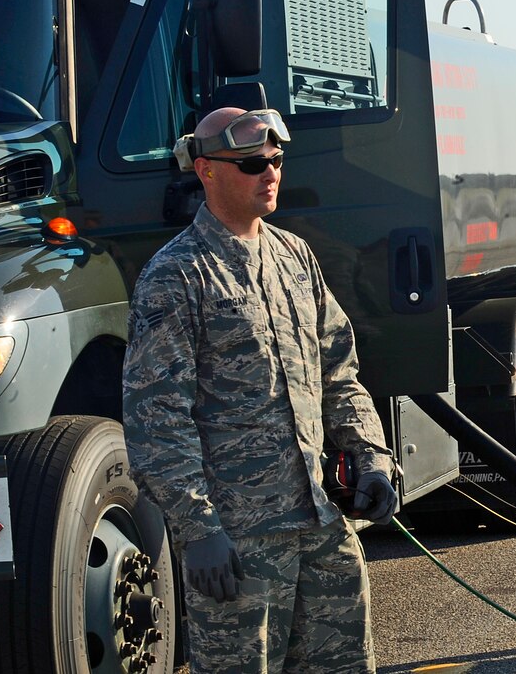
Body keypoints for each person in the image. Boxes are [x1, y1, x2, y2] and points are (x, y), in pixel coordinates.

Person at [122, 107, 397, 674]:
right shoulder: (178, 275)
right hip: (238, 543)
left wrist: (371, 458)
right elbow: (156, 418)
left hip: (321, 525)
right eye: (251, 163)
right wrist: (198, 531)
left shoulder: (295, 257)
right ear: (206, 171)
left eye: (275, 160)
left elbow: (338, 375)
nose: (269, 172)